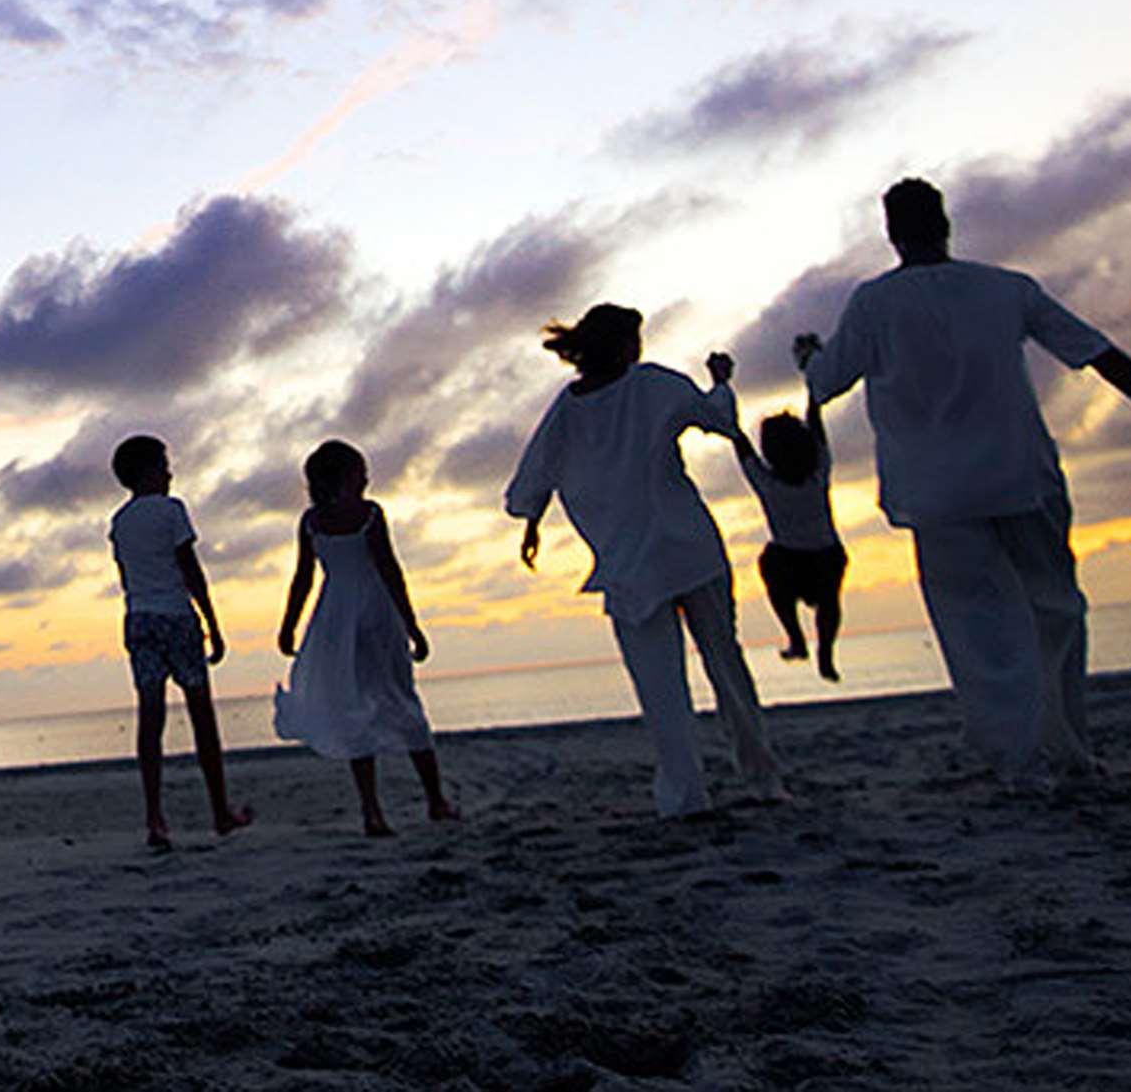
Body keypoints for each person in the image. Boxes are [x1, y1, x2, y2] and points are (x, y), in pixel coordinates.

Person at [795, 176, 1131, 788]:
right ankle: (1067, 748)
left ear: (891, 233)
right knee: (1056, 609)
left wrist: (808, 357)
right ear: (946, 224)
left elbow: (827, 380)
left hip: (937, 494)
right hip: (1021, 476)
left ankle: (1018, 759)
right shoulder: (1004, 289)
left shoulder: (874, 304)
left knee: (974, 627)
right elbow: (1096, 352)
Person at [503, 305, 786, 818]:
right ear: (624, 345)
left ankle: (685, 795)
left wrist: (532, 519)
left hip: (629, 564)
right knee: (726, 664)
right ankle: (762, 778)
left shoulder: (566, 410)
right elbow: (719, 419)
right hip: (688, 548)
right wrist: (721, 381)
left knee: (660, 687)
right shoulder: (653, 385)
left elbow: (529, 482)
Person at [272, 439, 460, 836]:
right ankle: (434, 800)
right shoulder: (369, 514)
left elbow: (304, 579)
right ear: (344, 478)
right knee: (400, 698)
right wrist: (412, 625)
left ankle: (374, 811)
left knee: (357, 705)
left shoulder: (311, 521)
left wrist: (290, 624)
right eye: (360, 472)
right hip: (374, 613)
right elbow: (390, 570)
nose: (368, 479)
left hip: (336, 618)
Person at [105, 433, 254, 852]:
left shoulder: (119, 521)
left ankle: (155, 817)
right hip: (175, 616)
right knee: (202, 716)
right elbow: (190, 568)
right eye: (163, 465)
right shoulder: (172, 511)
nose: (170, 473)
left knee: (150, 719)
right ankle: (219, 810)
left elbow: (125, 575)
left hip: (138, 618)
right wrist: (212, 620)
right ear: (147, 472)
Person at [735, 390, 846, 679]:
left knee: (770, 565)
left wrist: (723, 389)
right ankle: (824, 652)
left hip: (791, 560)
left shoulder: (769, 485)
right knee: (829, 602)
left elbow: (740, 443)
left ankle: (796, 637)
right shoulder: (818, 473)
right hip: (825, 555)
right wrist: (811, 381)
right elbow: (816, 421)